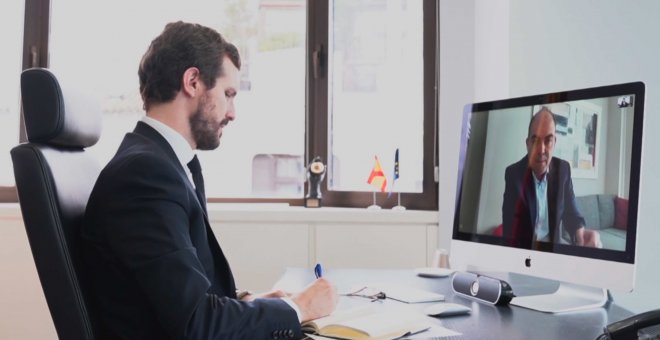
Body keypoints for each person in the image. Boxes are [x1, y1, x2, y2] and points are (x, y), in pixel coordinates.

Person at [81, 21, 338, 339]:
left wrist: (249, 303)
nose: (232, 113)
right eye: (228, 94)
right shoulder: (145, 176)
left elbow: (177, 297)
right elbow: (196, 324)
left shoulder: (162, 164)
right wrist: (299, 308)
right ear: (192, 82)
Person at [501, 107, 601, 249]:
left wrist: (580, 232)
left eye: (548, 141)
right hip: (524, 251)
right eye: (535, 141)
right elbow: (510, 230)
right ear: (527, 144)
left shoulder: (563, 170)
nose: (541, 150)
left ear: (554, 143)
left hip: (553, 251)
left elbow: (572, 214)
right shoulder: (514, 175)